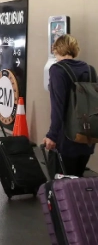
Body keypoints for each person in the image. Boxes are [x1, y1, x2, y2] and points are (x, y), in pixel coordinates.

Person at [44, 34, 95, 177]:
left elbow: (58, 106)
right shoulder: (90, 69)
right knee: (77, 181)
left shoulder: (57, 70)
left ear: (56, 49)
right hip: (87, 135)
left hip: (67, 138)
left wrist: (52, 135)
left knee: (61, 184)